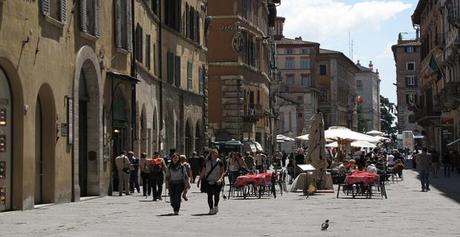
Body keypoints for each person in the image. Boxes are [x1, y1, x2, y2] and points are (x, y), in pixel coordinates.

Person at [198, 149, 225, 215]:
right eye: (213, 154)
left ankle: (216, 205)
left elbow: (222, 172)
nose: (215, 155)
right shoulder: (206, 162)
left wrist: (220, 179)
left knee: (216, 195)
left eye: (216, 154)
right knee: (209, 195)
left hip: (217, 181)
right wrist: (199, 180)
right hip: (208, 181)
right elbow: (203, 171)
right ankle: (211, 208)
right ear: (211, 154)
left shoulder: (220, 162)